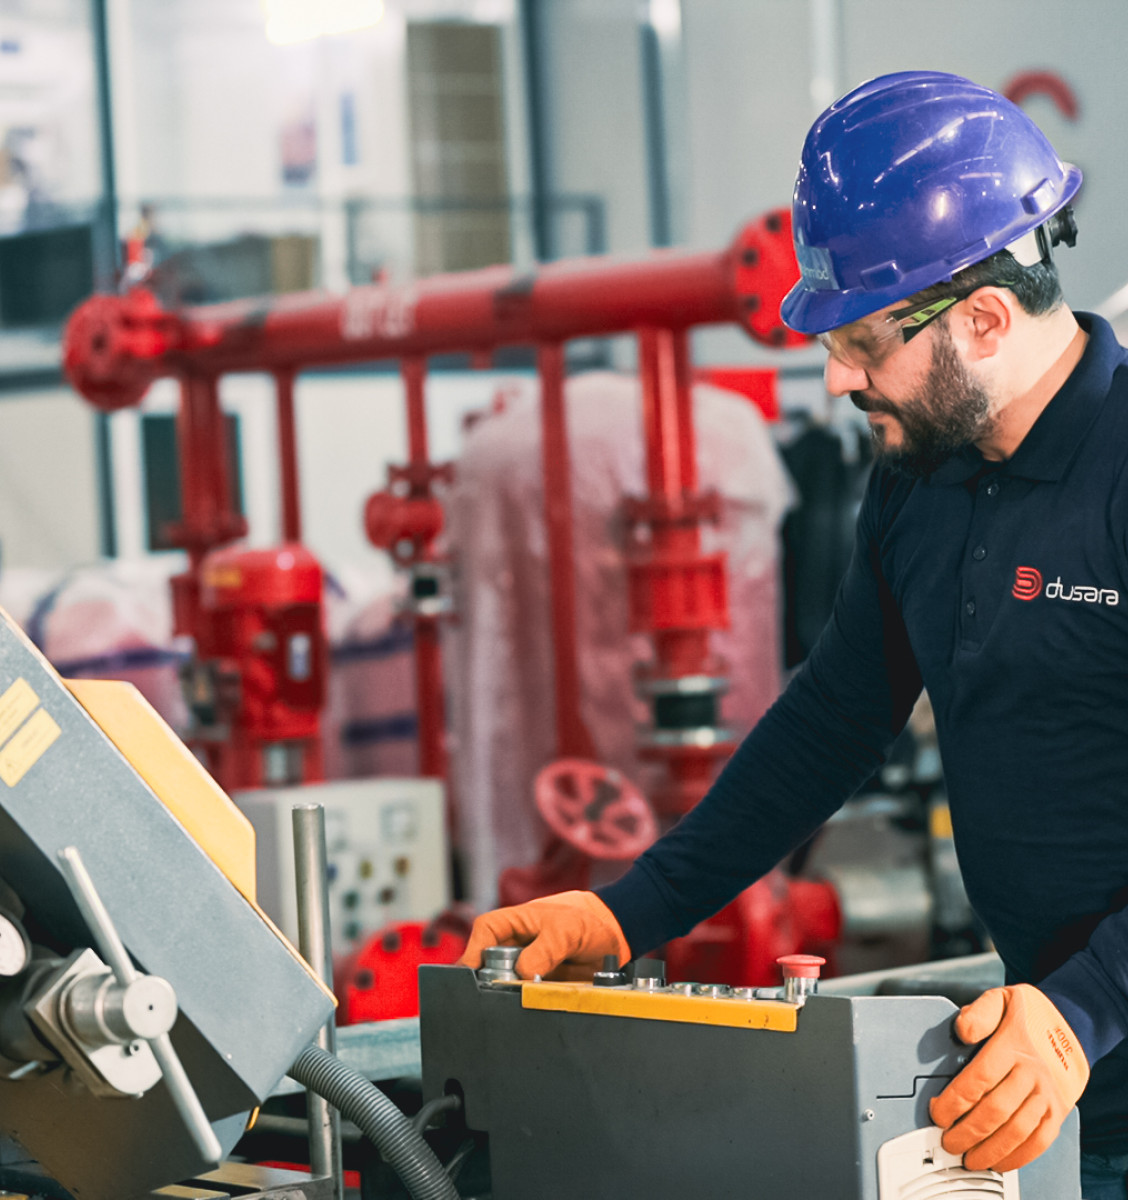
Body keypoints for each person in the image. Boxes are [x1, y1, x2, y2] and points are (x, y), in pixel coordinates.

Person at [461, 71, 1128, 1198]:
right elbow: (830, 722)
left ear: (982, 318)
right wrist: (631, 912)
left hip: (1068, 1045)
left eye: (865, 343)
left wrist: (1084, 1010)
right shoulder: (921, 481)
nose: (835, 379)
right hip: (1041, 1092)